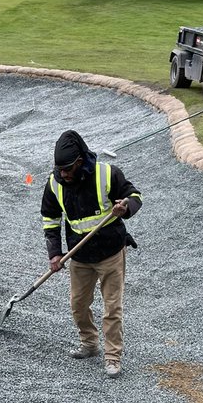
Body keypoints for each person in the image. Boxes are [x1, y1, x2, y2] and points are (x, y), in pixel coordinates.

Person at [41, 129, 142, 378]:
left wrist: (125, 206)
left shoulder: (107, 174)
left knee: (112, 308)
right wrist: (55, 254)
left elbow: (135, 196)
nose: (63, 174)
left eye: (67, 169)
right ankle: (89, 343)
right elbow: (50, 219)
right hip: (80, 256)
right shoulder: (55, 182)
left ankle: (112, 356)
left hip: (110, 252)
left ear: (79, 161)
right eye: (59, 169)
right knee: (78, 305)